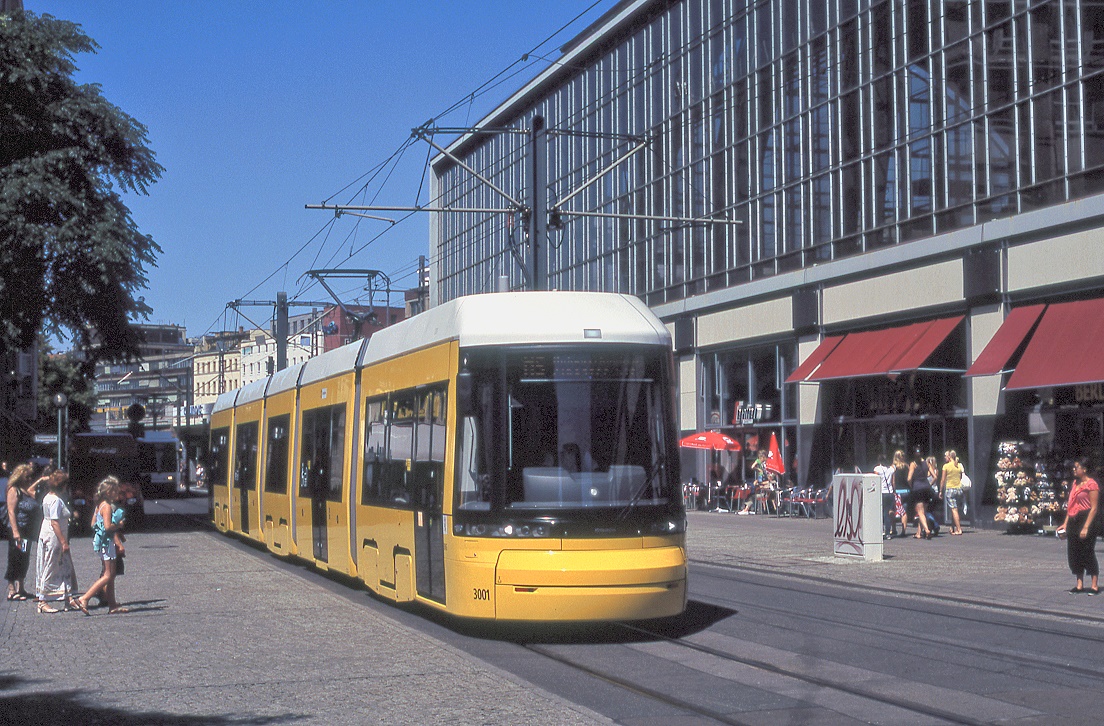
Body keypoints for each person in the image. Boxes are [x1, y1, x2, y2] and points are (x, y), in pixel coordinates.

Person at [74, 477, 129, 614]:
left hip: (101, 542)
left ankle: (112, 605)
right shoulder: (108, 507)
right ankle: (84, 598)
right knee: (108, 575)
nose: (117, 494)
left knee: (110, 574)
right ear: (109, 492)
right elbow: (108, 526)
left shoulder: (99, 506)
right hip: (107, 542)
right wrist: (119, 524)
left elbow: (93, 524)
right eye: (115, 491)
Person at [34, 469, 81, 614]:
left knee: (64, 564)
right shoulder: (54, 500)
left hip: (51, 533)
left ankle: (68, 597)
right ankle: (42, 600)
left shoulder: (48, 496)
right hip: (54, 536)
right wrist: (63, 542)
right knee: (51, 565)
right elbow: (54, 522)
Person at [1059, 458, 1099, 595]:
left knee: (1087, 552)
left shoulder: (1091, 485)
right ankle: (1079, 584)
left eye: (1077, 467)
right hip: (1073, 519)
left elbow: (1094, 508)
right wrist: (1065, 523)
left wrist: (1086, 527)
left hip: (1086, 518)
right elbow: (1071, 506)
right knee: (1074, 552)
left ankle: (1094, 585)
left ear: (1085, 469)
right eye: (1074, 467)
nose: (1074, 470)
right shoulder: (1075, 484)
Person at [5, 463, 45, 600]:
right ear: (20, 477)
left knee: (24, 558)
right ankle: (11, 589)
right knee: (15, 557)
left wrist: (40, 480)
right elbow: (11, 511)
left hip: (28, 531)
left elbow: (33, 489)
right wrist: (16, 532)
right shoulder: (14, 490)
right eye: (27, 477)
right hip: (18, 529)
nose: (29, 479)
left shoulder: (26, 490)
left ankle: (21, 588)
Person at [908, 447, 934, 539]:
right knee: (924, 512)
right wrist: (930, 484)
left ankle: (926, 530)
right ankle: (918, 533)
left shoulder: (913, 464)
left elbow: (909, 478)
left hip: (917, 489)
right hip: (926, 488)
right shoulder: (927, 463)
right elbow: (934, 476)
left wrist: (911, 486)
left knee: (920, 512)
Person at [940, 450, 965, 535]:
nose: (944, 457)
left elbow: (943, 479)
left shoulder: (946, 466)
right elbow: (961, 476)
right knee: (955, 509)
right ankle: (952, 527)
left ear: (949, 457)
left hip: (950, 489)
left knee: (954, 510)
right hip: (959, 489)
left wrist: (940, 490)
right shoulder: (959, 465)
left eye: (945, 456)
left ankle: (959, 529)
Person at [874, 458, 896, 539]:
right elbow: (893, 482)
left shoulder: (877, 469)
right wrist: (894, 491)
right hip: (889, 492)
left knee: (880, 513)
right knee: (887, 513)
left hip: (881, 492)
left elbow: (875, 480)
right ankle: (887, 533)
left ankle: (880, 531)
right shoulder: (891, 469)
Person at [892, 450, 910, 535]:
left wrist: (893, 490)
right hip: (906, 491)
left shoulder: (893, 467)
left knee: (893, 509)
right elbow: (909, 478)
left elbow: (893, 481)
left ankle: (894, 529)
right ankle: (903, 531)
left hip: (898, 491)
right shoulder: (907, 466)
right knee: (904, 511)